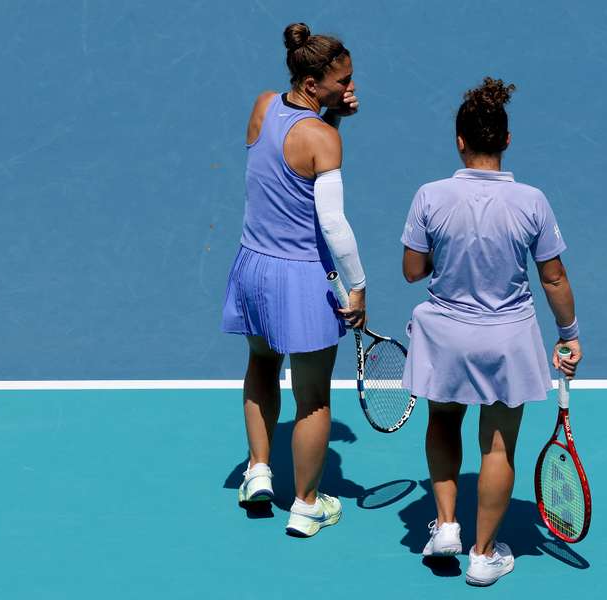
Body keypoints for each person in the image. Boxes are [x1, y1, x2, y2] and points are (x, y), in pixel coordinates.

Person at [400, 77, 582, 585]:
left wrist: (451, 249)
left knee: (442, 423)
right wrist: (568, 334)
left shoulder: (430, 197)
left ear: (460, 140)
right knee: (497, 448)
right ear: (505, 139)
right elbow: (554, 276)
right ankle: (483, 555)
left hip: (446, 338)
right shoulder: (532, 202)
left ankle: (445, 527)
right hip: (506, 340)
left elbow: (413, 270)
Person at [221, 22, 367, 537]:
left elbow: (289, 156)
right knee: (315, 398)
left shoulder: (264, 105)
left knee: (261, 362)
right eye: (341, 80)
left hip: (252, 269)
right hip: (301, 280)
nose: (349, 87)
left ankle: (258, 471)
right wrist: (358, 287)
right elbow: (333, 225)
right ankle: (306, 505)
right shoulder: (323, 139)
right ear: (312, 82)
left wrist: (331, 117)